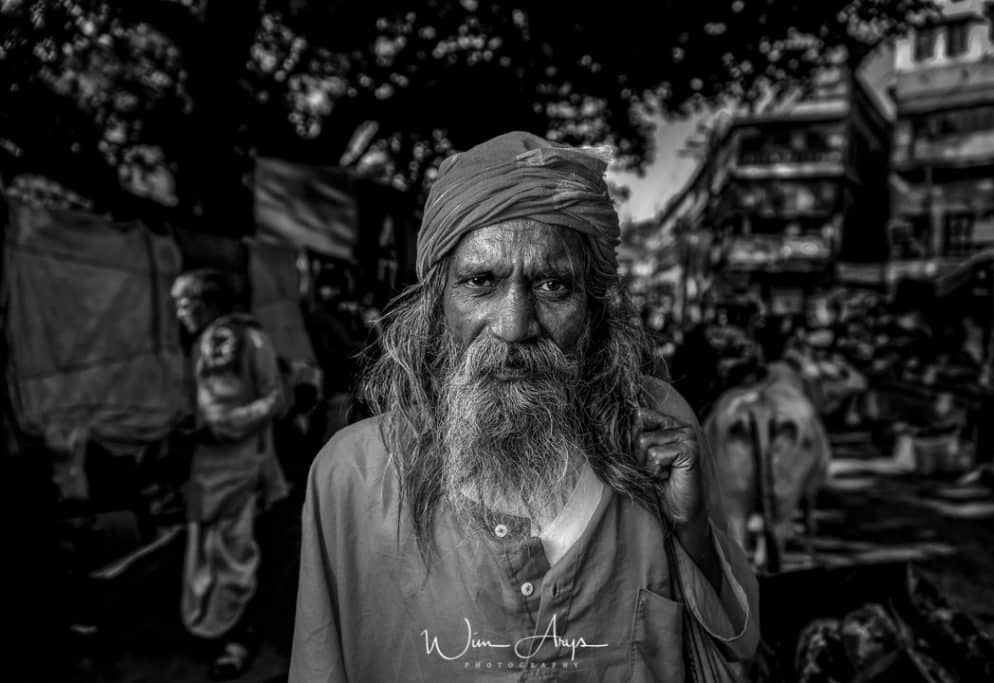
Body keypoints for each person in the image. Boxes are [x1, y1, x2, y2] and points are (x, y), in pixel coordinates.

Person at [290, 132, 759, 681]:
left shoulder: (656, 424)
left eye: (553, 284)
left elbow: (736, 645)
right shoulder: (351, 474)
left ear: (593, 306)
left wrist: (692, 530)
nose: (514, 325)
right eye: (481, 282)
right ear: (437, 302)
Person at [170, 269, 290, 680]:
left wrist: (222, 428)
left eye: (184, 303)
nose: (180, 312)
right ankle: (214, 629)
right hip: (208, 473)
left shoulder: (247, 338)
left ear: (207, 302)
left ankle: (240, 641)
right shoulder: (201, 344)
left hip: (244, 472)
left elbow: (274, 399)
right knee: (210, 558)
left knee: (239, 559)